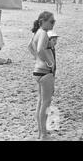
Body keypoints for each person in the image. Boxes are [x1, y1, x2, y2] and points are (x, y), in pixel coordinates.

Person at [28, 11, 56, 140]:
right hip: (45, 72)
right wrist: (49, 62)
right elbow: (39, 49)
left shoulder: (37, 32)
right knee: (46, 103)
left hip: (38, 71)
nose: (53, 24)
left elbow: (30, 47)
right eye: (51, 21)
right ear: (42, 21)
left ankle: (41, 131)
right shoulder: (43, 33)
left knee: (40, 102)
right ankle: (43, 134)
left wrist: (37, 59)